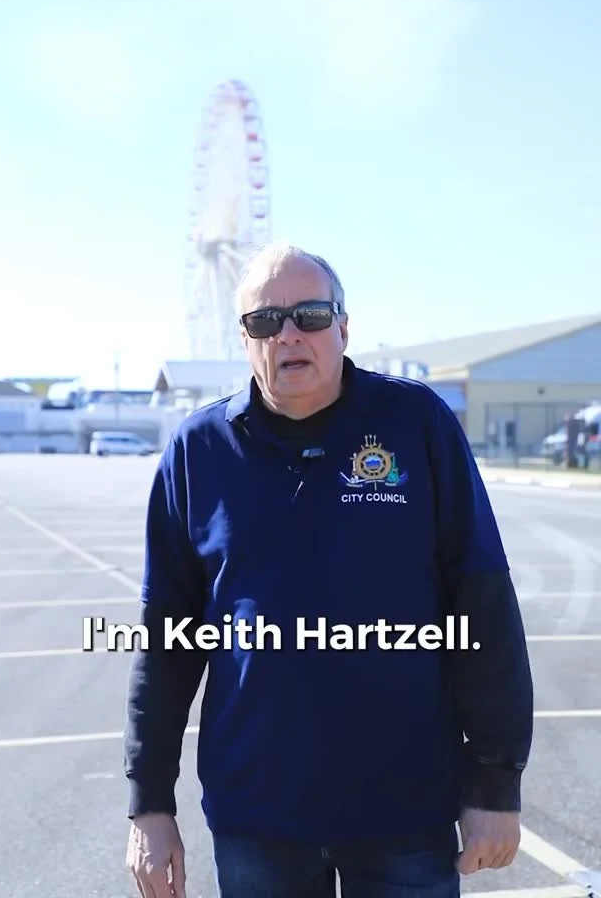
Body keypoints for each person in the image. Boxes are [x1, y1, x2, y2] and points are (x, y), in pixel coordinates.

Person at [124, 243, 534, 898]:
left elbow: (481, 603)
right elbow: (166, 642)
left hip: (406, 812)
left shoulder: (415, 424)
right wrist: (149, 805)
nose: (289, 334)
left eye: (310, 315)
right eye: (266, 320)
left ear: (343, 327)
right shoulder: (198, 452)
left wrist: (496, 782)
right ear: (244, 339)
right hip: (258, 819)